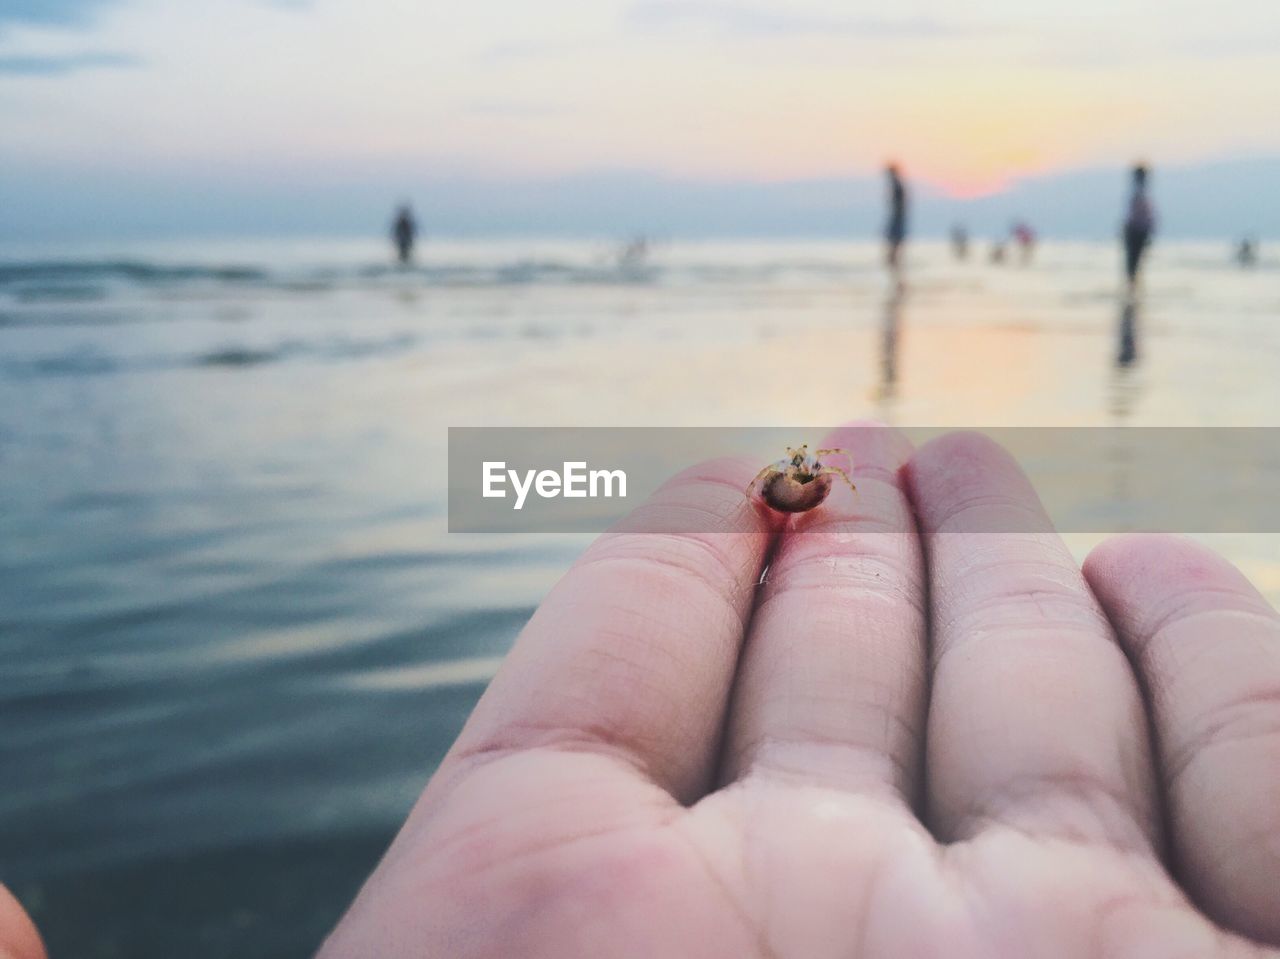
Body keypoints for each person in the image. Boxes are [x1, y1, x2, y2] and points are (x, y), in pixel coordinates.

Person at [283, 426, 1280, 957]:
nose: (811, 468)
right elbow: (781, 485)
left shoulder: (819, 476)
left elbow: (811, 480)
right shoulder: (790, 480)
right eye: (804, 469)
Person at [1122, 164, 1155, 285]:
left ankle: (1132, 290)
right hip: (1135, 231)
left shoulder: (1139, 190)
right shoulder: (1138, 191)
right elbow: (1137, 214)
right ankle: (1132, 290)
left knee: (1134, 264)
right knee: (1134, 263)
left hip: (1136, 230)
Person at [884, 164, 907, 271]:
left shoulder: (897, 186)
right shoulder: (898, 185)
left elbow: (898, 207)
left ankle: (897, 277)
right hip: (897, 220)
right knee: (894, 254)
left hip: (897, 221)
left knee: (893, 254)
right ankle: (897, 277)